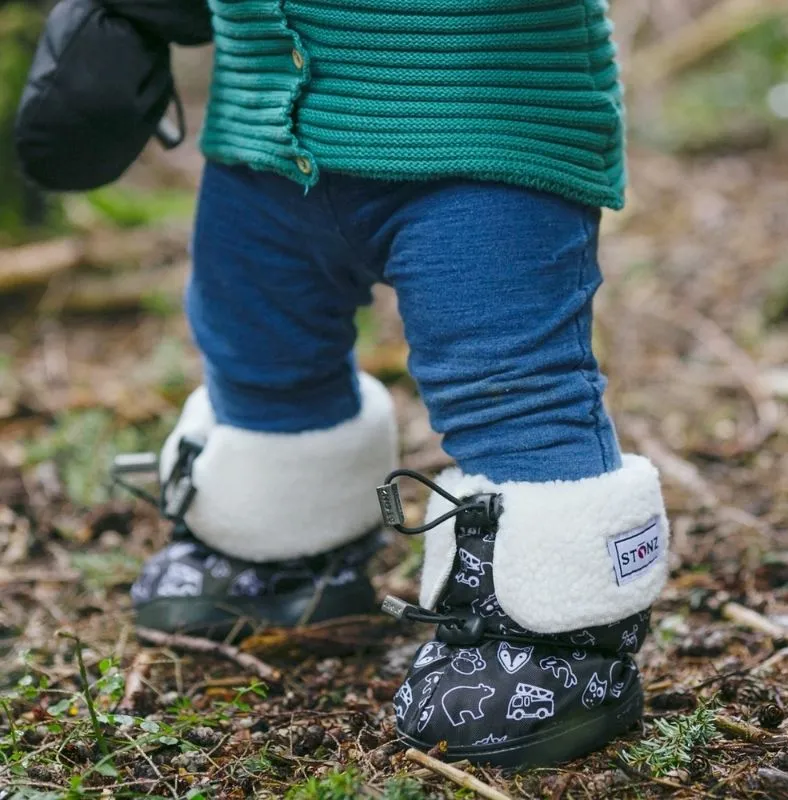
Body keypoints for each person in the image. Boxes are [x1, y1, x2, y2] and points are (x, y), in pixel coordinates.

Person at [129, 0, 670, 767]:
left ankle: (559, 632)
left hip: (482, 125)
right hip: (260, 133)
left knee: (507, 381)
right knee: (259, 355)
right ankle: (280, 546)